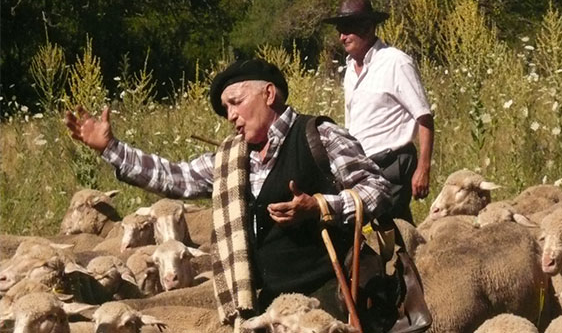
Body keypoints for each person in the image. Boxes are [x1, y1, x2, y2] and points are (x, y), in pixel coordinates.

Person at [63, 59, 391, 324]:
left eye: (235, 103)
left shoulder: (319, 135)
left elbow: (376, 190)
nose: (230, 115)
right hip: (264, 300)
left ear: (269, 94)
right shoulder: (232, 159)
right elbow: (175, 177)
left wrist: (321, 206)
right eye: (225, 109)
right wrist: (111, 148)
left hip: (328, 292)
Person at [322, 0, 434, 225]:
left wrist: (423, 169)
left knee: (375, 225)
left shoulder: (396, 62)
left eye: (347, 30)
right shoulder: (350, 69)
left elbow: (424, 118)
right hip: (365, 165)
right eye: (339, 31)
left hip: (393, 163)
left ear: (368, 27)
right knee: (389, 230)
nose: (342, 37)